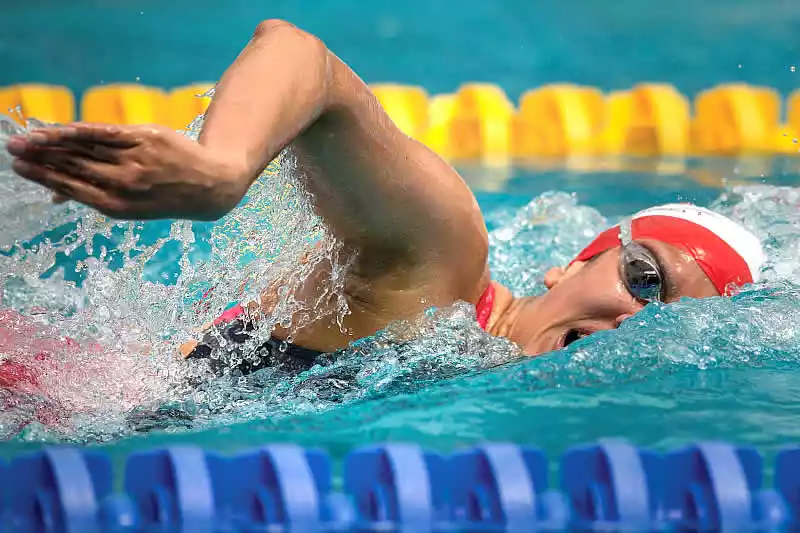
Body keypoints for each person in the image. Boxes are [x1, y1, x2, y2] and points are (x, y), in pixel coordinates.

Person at [4, 20, 766, 376]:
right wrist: (220, 171)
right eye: (644, 277)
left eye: (671, 321)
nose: (636, 321)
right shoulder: (444, 263)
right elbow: (303, 58)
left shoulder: (472, 361)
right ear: (570, 264)